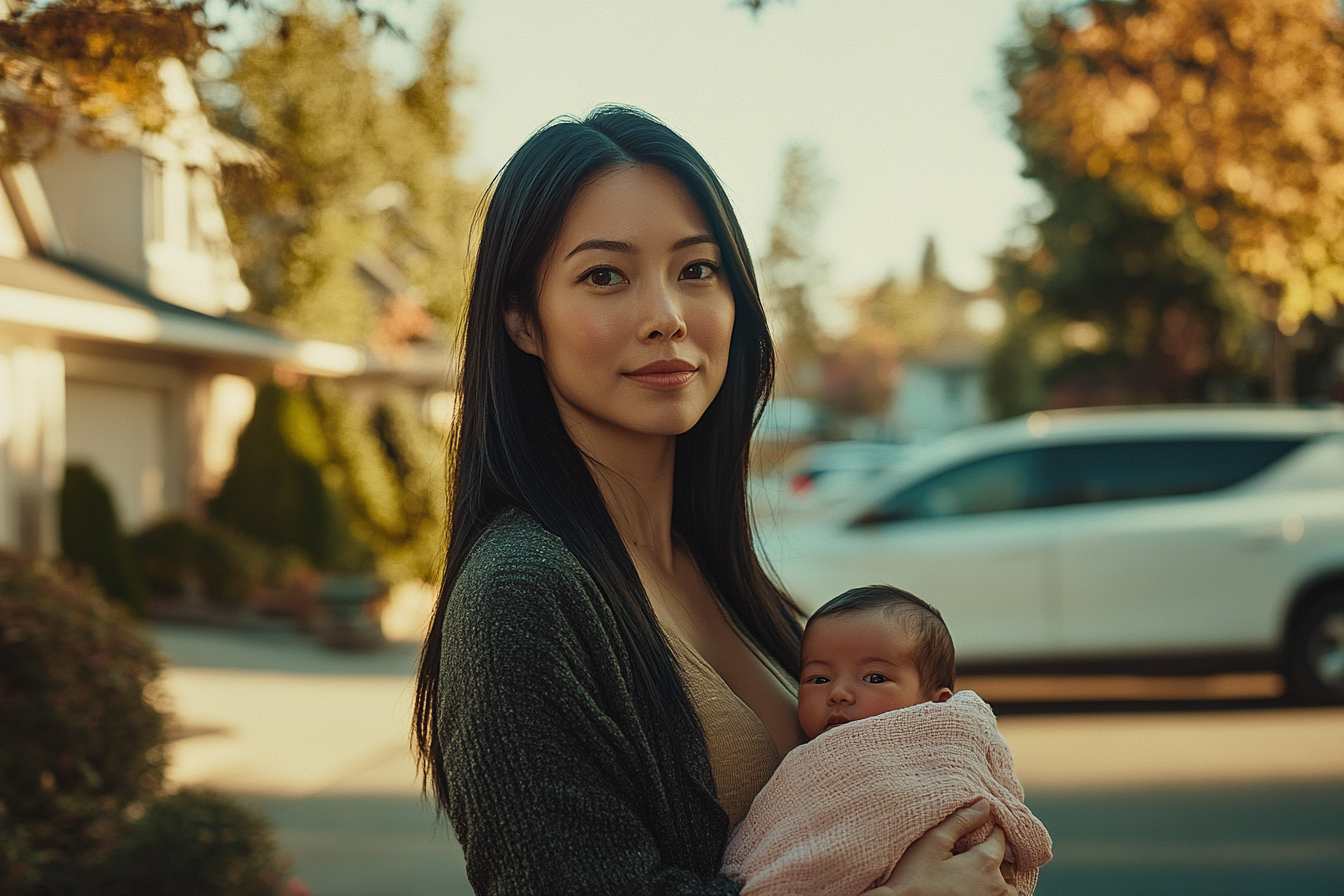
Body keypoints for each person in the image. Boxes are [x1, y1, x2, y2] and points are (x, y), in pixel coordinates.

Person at [412, 105, 1018, 895]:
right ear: (524, 321)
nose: (666, 316)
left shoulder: (716, 568)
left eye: (697, 269)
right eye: (605, 276)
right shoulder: (520, 596)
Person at [723, 586, 1053, 896]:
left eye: (875, 678)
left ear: (934, 706)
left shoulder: (941, 749)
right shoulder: (810, 763)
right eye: (818, 678)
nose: (838, 693)